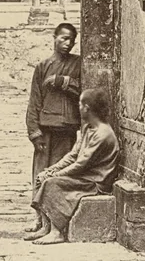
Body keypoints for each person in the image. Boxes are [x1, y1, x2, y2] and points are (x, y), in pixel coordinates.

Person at [27, 87, 120, 244]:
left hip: (95, 181)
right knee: (45, 177)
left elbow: (81, 165)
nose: (78, 108)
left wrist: (54, 175)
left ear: (87, 108)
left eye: (80, 104)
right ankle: (46, 226)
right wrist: (51, 169)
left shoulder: (103, 134)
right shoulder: (87, 127)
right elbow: (73, 155)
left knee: (52, 183)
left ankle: (57, 232)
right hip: (85, 175)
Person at [25, 22, 81, 233]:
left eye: (72, 40)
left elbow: (86, 91)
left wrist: (64, 81)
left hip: (66, 129)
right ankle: (39, 218)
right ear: (54, 37)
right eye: (64, 38)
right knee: (40, 174)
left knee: (60, 175)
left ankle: (56, 221)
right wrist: (34, 131)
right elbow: (34, 101)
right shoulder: (43, 66)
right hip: (45, 129)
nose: (68, 43)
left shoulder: (78, 64)